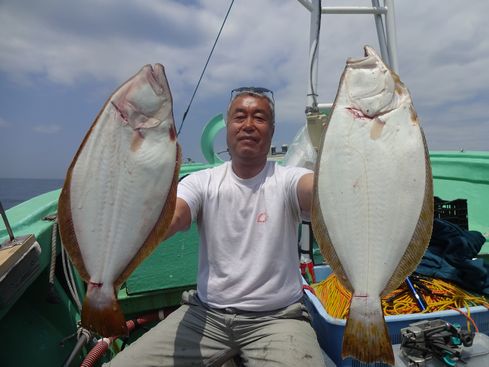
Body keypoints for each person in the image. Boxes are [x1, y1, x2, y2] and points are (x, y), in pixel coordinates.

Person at [106, 87, 325, 366]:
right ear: (227, 128)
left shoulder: (288, 179)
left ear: (271, 130)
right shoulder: (202, 182)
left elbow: (314, 191)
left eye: (259, 118)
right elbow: (175, 215)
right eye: (239, 117)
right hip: (206, 316)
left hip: (277, 318)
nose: (248, 125)